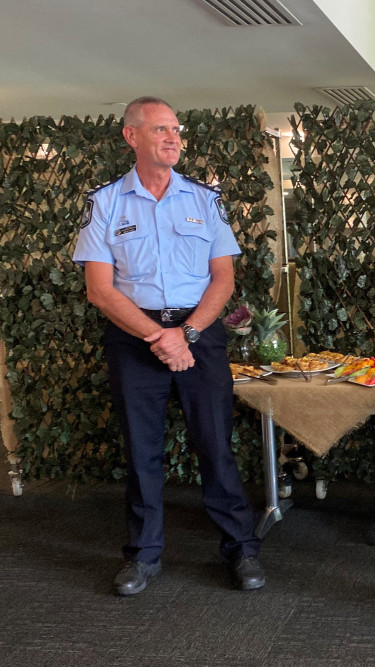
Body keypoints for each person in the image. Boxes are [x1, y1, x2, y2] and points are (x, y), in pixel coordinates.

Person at [72, 96, 264, 595]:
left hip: (198, 333)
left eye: (176, 129)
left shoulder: (204, 199)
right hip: (137, 339)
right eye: (160, 129)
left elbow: (223, 278)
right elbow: (99, 289)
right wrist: (159, 336)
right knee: (142, 452)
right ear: (131, 137)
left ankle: (241, 550)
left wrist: (189, 335)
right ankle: (143, 555)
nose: (174, 138)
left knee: (216, 446)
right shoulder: (106, 203)